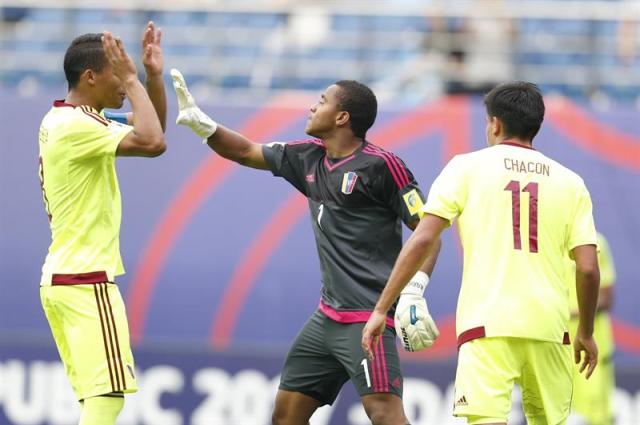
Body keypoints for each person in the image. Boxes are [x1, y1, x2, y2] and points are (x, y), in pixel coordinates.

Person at [171, 69, 440, 425]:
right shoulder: (308, 157)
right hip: (326, 320)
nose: (313, 107)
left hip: (367, 320)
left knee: (385, 415)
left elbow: (429, 232)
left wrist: (414, 292)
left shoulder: (383, 166)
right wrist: (204, 126)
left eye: (322, 101)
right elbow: (246, 151)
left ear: (342, 117)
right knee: (285, 417)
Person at [362, 81, 601, 425]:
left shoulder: (465, 167)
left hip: (486, 326)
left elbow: (422, 239)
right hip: (551, 328)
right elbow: (589, 269)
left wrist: (383, 307)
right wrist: (586, 333)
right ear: (537, 125)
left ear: (495, 124)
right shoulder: (571, 182)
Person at [38, 23, 166, 425]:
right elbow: (153, 143)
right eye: (116, 72)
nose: (124, 83)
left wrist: (152, 77)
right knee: (107, 397)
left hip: (65, 278)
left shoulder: (71, 119)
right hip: (85, 278)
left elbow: (153, 126)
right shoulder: (79, 126)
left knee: (94, 400)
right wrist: (134, 76)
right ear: (90, 76)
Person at [569, 233, 616, 425]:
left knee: (597, 419)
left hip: (590, 348)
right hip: (555, 345)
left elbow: (607, 296)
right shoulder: (547, 241)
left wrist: (577, 312)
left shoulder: (596, 243)